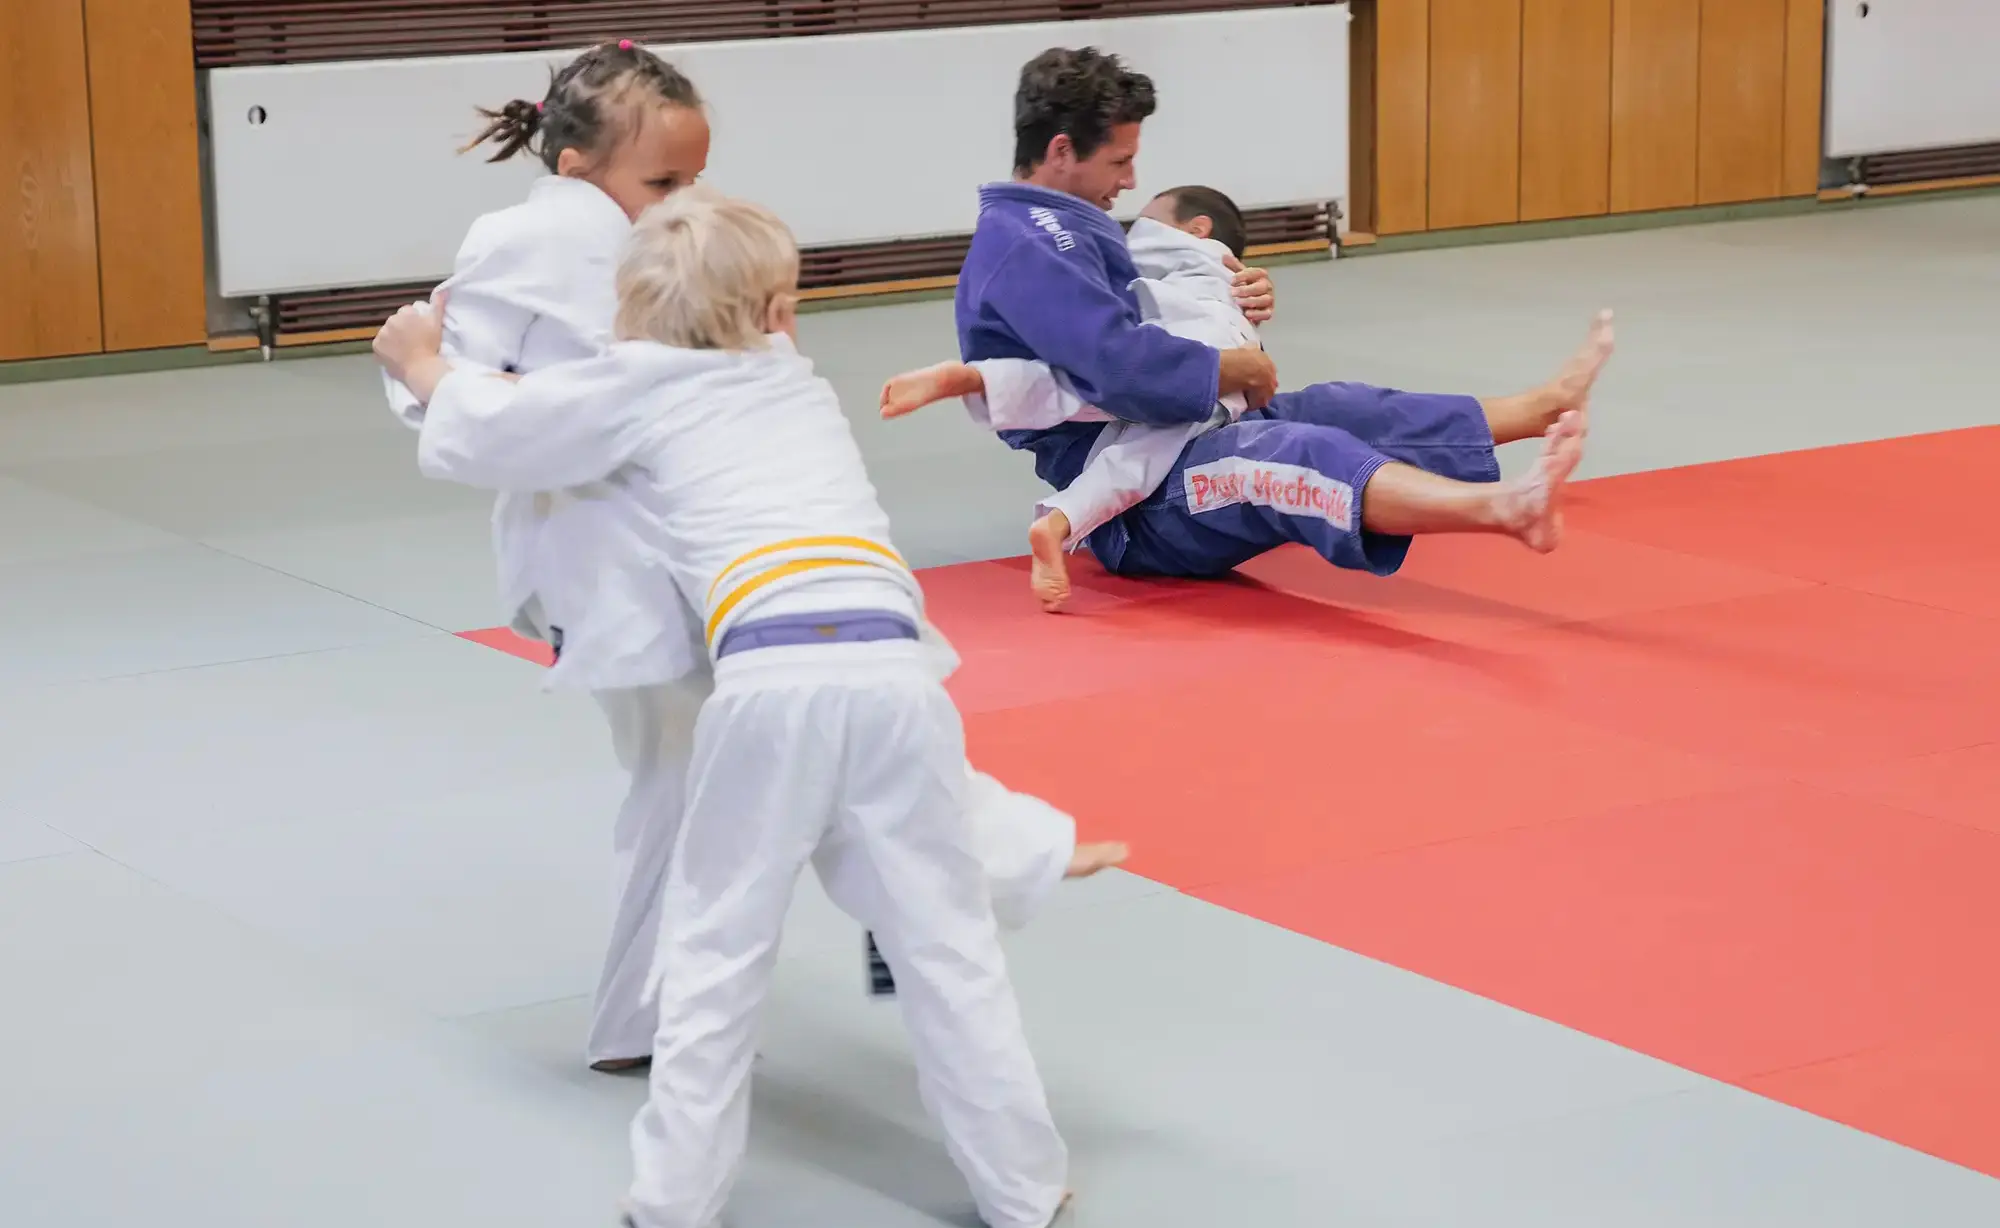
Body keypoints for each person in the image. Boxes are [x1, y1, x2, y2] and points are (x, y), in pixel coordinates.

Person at [379, 40, 1111, 1071]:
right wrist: (433, 373)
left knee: (756, 754)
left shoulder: (633, 249)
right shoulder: (541, 242)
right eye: (662, 181)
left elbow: (507, 395)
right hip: (624, 562)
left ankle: (952, 879)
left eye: (691, 179)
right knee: (743, 764)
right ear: (579, 168)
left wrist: (437, 380)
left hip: (698, 550)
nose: (680, 201)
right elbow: (498, 409)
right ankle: (963, 876)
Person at [376, 187, 1073, 1228]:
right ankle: (1021, 1186)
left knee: (717, 944)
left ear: (633, 305)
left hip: (773, 680)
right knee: (945, 943)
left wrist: (422, 360)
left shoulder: (634, 384)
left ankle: (676, 1199)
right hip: (898, 672)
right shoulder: (793, 381)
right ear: (772, 311)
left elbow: (500, 432)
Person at [951, 46, 1611, 589]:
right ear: (1062, 150)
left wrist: (1233, 296)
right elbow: (1116, 368)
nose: (1128, 181)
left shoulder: (1062, 229)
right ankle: (1503, 509)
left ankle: (1538, 410)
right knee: (1296, 452)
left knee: (1344, 408)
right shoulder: (1029, 247)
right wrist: (1228, 363)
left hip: (1178, 432)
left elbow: (1145, 318)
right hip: (1138, 505)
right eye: (1119, 162)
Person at [881, 184, 1262, 611]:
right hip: (1211, 350)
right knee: (1135, 460)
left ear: (1197, 227)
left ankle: (980, 381)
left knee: (1075, 389)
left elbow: (1130, 255)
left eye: (1149, 217)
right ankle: (1061, 520)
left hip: (1194, 340)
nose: (1136, 226)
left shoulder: (1186, 249)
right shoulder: (1218, 270)